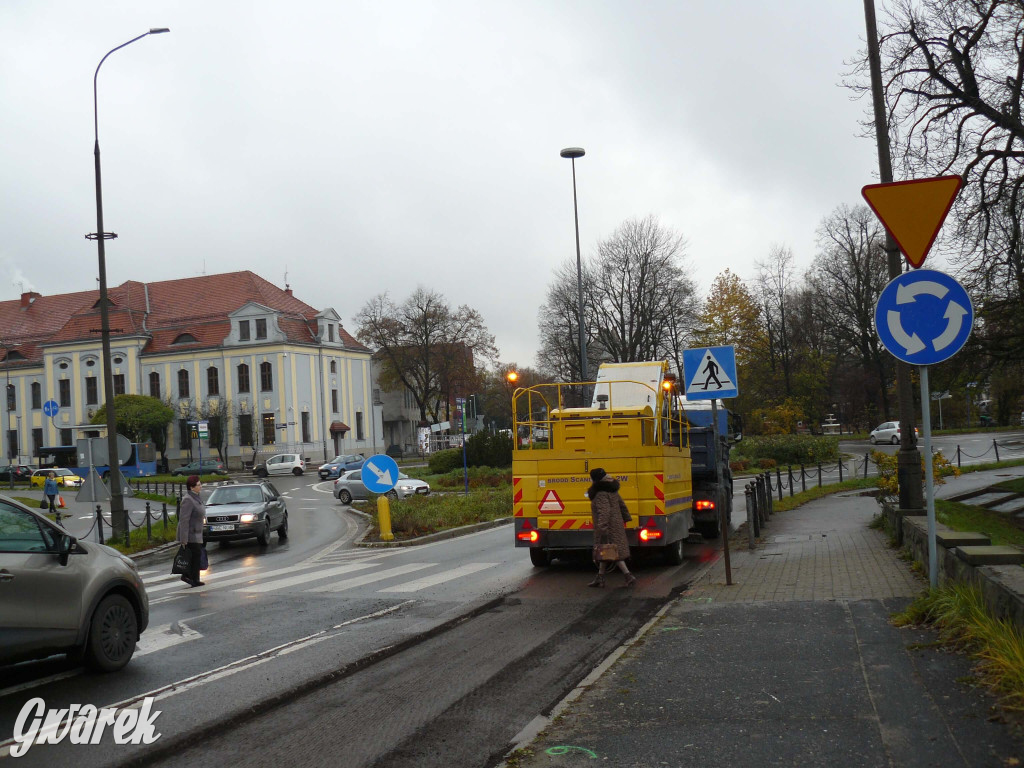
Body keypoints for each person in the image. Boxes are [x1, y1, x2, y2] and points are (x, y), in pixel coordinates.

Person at [586, 467, 636, 588]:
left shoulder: (600, 493)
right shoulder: (612, 489)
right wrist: (626, 517)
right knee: (604, 551)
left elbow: (604, 512)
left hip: (608, 527)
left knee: (612, 552)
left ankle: (628, 576)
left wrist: (603, 528)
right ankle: (600, 578)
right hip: (615, 525)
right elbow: (622, 504)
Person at [176, 475, 206, 587]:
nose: (200, 486)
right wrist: (184, 539)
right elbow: (184, 520)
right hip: (190, 534)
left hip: (197, 532)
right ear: (191, 487)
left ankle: (192, 577)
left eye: (200, 484)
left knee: (195, 556)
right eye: (198, 485)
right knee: (194, 556)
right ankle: (191, 578)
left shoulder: (196, 497)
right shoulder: (188, 500)